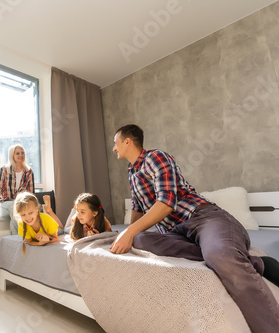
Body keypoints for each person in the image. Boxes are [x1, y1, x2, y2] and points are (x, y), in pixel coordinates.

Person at [109, 124, 279, 332]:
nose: (114, 148)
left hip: (202, 218)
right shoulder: (132, 172)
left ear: (127, 141)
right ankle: (255, 263)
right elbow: (137, 208)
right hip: (176, 233)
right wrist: (128, 233)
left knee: (220, 256)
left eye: (115, 143)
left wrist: (130, 231)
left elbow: (166, 202)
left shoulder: (156, 158)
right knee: (140, 239)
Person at [0, 144, 34, 234]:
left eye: (22, 153)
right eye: (17, 153)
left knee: (21, 207)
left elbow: (31, 193)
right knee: (14, 206)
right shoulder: (4, 169)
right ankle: (20, 237)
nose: (20, 155)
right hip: (5, 204)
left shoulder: (28, 171)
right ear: (12, 155)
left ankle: (19, 238)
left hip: (21, 204)